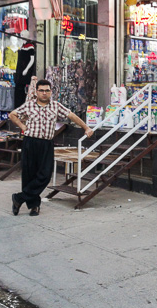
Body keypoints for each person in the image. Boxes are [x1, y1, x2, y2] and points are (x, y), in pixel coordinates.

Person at [8, 79, 94, 216]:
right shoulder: (29, 105)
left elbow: (71, 116)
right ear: (36, 92)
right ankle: (34, 206)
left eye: (47, 90)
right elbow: (12, 115)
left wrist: (86, 127)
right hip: (30, 142)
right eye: (41, 90)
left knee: (45, 175)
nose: (44, 93)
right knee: (29, 175)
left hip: (46, 144)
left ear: (51, 92)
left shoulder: (56, 106)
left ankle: (19, 198)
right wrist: (23, 126)